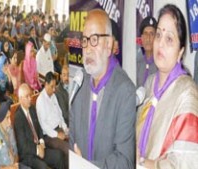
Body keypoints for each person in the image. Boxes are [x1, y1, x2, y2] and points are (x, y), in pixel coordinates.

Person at [70, 9, 136, 168]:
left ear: (108, 45)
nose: (87, 48)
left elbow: (125, 161)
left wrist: (85, 166)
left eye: (94, 39)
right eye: (85, 40)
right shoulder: (78, 84)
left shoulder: (125, 92)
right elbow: (71, 139)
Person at [136, 4, 198, 168]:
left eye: (169, 39)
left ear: (180, 52)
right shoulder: (150, 83)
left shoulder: (187, 93)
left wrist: (143, 163)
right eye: (158, 35)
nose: (160, 43)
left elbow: (186, 162)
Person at [14, 83, 64, 169]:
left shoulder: (32, 108)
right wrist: (37, 150)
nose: (30, 98)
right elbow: (23, 145)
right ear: (20, 99)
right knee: (43, 167)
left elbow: (39, 129)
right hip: (29, 155)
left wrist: (41, 142)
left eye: (30, 95)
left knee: (58, 156)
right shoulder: (18, 117)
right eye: (27, 96)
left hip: (40, 147)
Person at [36, 72, 69, 168]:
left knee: (73, 140)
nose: (54, 89)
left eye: (55, 86)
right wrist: (57, 135)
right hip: (49, 135)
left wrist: (65, 128)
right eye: (52, 86)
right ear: (46, 84)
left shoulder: (53, 96)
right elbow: (44, 126)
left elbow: (60, 114)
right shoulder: (40, 101)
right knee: (67, 149)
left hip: (58, 129)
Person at [0, 99, 31, 169]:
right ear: (1, 120)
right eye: (7, 118)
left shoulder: (10, 129)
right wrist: (9, 167)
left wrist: (15, 164)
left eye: (10, 117)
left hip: (14, 165)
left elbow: (15, 152)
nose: (10, 122)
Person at [137, 16, 158, 87]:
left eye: (151, 34)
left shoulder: (161, 64)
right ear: (142, 38)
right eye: (145, 34)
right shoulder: (138, 64)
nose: (148, 38)